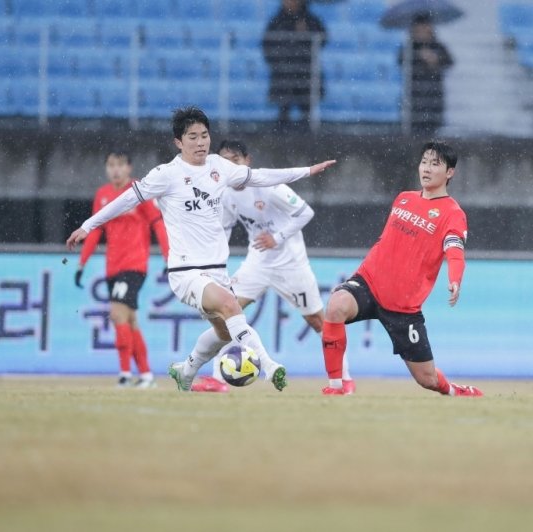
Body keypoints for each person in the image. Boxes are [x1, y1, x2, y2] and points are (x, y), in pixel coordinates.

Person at [66, 107, 336, 393]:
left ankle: (186, 370)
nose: (200, 142)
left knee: (222, 332)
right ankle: (269, 367)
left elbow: (260, 176)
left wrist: (306, 171)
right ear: (178, 142)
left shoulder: (219, 166)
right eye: (192, 137)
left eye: (204, 135)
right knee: (231, 306)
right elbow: (127, 200)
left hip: (216, 271)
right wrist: (88, 225)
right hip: (186, 272)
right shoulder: (166, 174)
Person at [189, 139, 355, 394]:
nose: (230, 166)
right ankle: (218, 380)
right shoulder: (225, 193)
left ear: (247, 162)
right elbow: (224, 226)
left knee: (318, 321)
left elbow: (305, 212)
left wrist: (276, 237)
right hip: (257, 264)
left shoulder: (269, 186)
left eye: (235, 160)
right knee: (226, 311)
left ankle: (344, 379)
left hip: (291, 264)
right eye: (224, 161)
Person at [320, 141, 482, 397]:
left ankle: (453, 390)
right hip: (369, 283)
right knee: (336, 305)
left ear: (450, 173)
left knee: (427, 379)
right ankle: (337, 387)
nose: (426, 169)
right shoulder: (403, 198)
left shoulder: (453, 213)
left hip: (403, 307)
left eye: (435, 164)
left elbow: (454, 250)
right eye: (424, 162)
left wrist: (455, 279)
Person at [76, 150, 169, 388]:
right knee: (130, 319)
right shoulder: (103, 195)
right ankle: (147, 375)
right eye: (110, 165)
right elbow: (96, 229)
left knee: (117, 314)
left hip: (135, 264)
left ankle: (125, 374)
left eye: (119, 165)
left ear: (129, 168)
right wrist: (82, 262)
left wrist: (169, 257)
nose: (115, 170)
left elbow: (158, 223)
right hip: (112, 266)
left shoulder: (140, 191)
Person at [262, 0, 327, 130]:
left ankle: (306, 138)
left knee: (306, 112)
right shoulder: (277, 21)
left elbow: (323, 38)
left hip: (305, 73)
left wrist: (307, 31)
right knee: (283, 111)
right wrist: (280, 62)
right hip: (284, 74)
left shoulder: (309, 19)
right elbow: (267, 45)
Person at [399, 14, 454, 133]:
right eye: (419, 29)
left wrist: (435, 59)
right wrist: (418, 56)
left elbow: (449, 62)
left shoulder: (439, 47)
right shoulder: (409, 48)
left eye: (426, 28)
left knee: (433, 131)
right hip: (415, 98)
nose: (423, 32)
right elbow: (400, 61)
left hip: (434, 97)